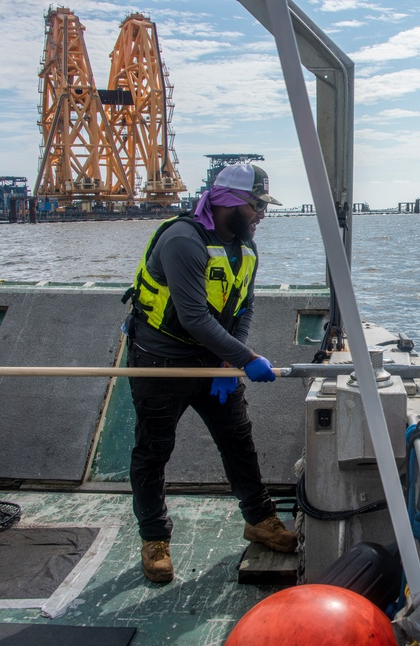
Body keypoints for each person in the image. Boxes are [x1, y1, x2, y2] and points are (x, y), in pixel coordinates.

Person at [122, 163, 295, 584]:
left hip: (214, 360)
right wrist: (248, 358)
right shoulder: (184, 239)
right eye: (256, 205)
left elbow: (244, 306)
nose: (261, 214)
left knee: (238, 440)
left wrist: (227, 363)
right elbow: (194, 316)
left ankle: (259, 519)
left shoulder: (246, 247)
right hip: (161, 361)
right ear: (230, 202)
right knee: (153, 450)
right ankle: (154, 539)